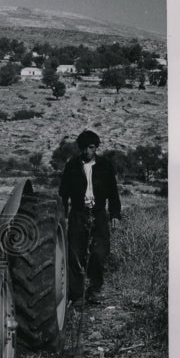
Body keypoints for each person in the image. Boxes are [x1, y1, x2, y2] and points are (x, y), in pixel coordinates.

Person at [59, 129, 121, 304]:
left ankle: (95, 289)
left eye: (91, 147)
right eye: (84, 148)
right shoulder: (72, 165)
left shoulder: (105, 165)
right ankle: (77, 294)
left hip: (99, 214)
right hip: (78, 214)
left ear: (96, 147)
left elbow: (113, 193)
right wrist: (63, 215)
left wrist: (115, 215)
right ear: (80, 148)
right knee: (75, 254)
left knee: (99, 253)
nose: (87, 151)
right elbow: (63, 192)